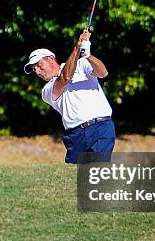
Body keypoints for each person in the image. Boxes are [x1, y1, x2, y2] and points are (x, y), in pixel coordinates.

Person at [24, 29, 115, 163]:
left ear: (51, 59)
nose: (37, 71)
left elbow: (103, 73)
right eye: (33, 69)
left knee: (96, 173)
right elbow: (65, 77)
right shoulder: (47, 90)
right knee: (74, 179)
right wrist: (77, 47)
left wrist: (88, 55)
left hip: (101, 127)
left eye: (38, 65)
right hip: (75, 135)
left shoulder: (81, 64)